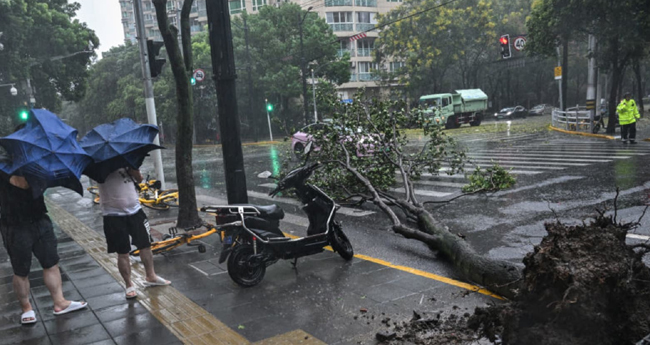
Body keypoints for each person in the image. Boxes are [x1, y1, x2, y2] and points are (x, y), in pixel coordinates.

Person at [0, 155, 87, 324]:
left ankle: (59, 302)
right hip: (14, 225)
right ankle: (26, 308)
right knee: (21, 270)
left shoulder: (37, 164)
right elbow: (20, 183)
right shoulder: (3, 166)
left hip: (40, 220)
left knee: (51, 263)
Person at [97, 167, 169, 299]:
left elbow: (139, 179)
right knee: (122, 251)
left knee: (145, 245)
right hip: (113, 215)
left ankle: (151, 276)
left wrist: (132, 169)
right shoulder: (99, 165)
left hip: (135, 211)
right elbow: (99, 178)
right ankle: (129, 284)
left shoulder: (128, 160)